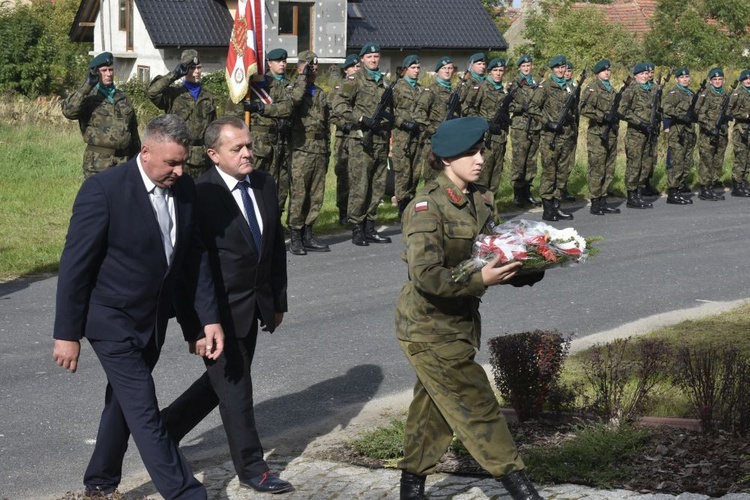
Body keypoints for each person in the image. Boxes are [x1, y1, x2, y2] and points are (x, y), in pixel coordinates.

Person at [52, 114, 224, 499]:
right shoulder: (104, 190)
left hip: (153, 320)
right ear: (145, 152)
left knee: (123, 402)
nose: (179, 171)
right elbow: (75, 266)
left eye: (183, 162)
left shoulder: (184, 190)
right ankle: (185, 493)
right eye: (171, 163)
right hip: (110, 320)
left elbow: (193, 259)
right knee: (144, 408)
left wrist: (206, 320)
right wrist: (66, 333)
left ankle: (100, 481)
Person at [396, 116, 544, 500]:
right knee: (476, 403)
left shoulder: (480, 199)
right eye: (470, 153)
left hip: (460, 323)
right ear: (446, 159)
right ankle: (522, 489)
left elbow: (490, 255)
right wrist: (483, 281)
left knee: (433, 409)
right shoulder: (426, 208)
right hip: (428, 326)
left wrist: (535, 262)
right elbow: (426, 277)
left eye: (481, 151)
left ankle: (411, 489)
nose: (480, 159)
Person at [160, 116, 291, 494]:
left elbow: (274, 248)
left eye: (249, 145)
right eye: (238, 148)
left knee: (222, 379)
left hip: (255, 307)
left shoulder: (265, 185)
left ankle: (165, 428)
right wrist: (196, 326)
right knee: (236, 386)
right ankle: (254, 469)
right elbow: (186, 268)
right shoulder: (198, 194)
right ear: (214, 154)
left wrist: (277, 301)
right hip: (216, 313)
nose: (248, 153)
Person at [330, 42, 393, 246]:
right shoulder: (354, 80)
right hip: (361, 141)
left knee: (377, 185)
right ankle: (357, 228)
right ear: (362, 59)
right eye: (369, 57)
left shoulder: (383, 82)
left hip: (380, 141)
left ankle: (370, 226)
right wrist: (361, 119)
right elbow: (339, 105)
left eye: (376, 56)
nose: (374, 60)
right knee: (360, 185)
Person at [241, 48, 305, 215]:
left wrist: (264, 108)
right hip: (259, 143)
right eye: (278, 61)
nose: (282, 64)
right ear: (268, 63)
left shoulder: (285, 85)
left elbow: (289, 107)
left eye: (284, 61)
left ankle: (275, 218)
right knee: (255, 181)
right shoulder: (253, 86)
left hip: (282, 141)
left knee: (280, 184)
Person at [62, 51, 140, 178]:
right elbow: (69, 112)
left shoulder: (122, 97)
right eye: (104, 70)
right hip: (98, 163)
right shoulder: (88, 96)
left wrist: (137, 159)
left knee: (123, 197)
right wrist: (87, 86)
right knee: (98, 197)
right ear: (95, 72)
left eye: (111, 70)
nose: (109, 74)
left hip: (123, 162)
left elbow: (133, 130)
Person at [147, 50, 217, 178]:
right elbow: (152, 92)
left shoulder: (208, 96)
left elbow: (213, 129)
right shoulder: (174, 95)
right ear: (184, 70)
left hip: (203, 159)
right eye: (192, 68)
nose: (197, 71)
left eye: (199, 67)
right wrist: (174, 74)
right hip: (178, 156)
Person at [287, 50, 331, 254]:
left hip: (319, 150)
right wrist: (301, 78)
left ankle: (308, 233)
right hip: (301, 148)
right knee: (299, 193)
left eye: (315, 66)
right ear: (300, 67)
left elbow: (327, 124)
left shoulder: (320, 93)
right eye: (310, 66)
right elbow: (291, 104)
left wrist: (328, 151)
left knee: (316, 195)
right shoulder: (294, 89)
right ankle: (295, 234)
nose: (314, 70)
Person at [528, 55, 576, 221]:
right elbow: (532, 107)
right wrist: (547, 123)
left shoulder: (570, 86)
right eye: (557, 68)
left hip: (566, 135)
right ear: (552, 69)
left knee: (563, 173)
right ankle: (547, 209)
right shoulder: (546, 87)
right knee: (550, 172)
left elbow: (574, 108)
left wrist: (571, 118)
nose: (561, 70)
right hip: (550, 137)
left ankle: (557, 206)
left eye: (563, 67)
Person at [580, 59, 621, 214]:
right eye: (604, 71)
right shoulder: (592, 88)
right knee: (597, 168)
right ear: (597, 73)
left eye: (609, 70)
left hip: (611, 134)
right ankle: (595, 201)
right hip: (597, 134)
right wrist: (602, 116)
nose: (607, 73)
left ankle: (603, 199)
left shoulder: (613, 90)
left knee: (609, 168)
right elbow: (583, 108)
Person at [413, 56, 460, 182]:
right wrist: (433, 130)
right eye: (444, 68)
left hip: (450, 140)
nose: (447, 71)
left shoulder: (454, 92)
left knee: (449, 177)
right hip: (433, 141)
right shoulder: (431, 90)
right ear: (438, 71)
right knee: (432, 178)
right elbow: (418, 113)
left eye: (450, 68)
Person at [620, 62, 656, 208]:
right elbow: (622, 111)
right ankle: (631, 196)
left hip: (649, 134)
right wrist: (639, 123)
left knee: (645, 164)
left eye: (646, 74)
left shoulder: (652, 90)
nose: (645, 76)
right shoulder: (631, 90)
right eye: (641, 74)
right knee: (634, 165)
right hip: (636, 134)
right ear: (635, 76)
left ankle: (639, 193)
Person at [391, 54, 423, 219]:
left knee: (415, 173)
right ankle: (402, 208)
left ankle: (411, 204)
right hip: (402, 138)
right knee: (403, 173)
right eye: (413, 68)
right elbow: (389, 113)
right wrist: (402, 123)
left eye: (418, 68)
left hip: (417, 138)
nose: (416, 71)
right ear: (405, 69)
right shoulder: (397, 88)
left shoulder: (420, 89)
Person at [330, 54, 361, 225]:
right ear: (346, 70)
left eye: (359, 66)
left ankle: (356, 211)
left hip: (359, 136)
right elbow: (332, 113)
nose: (357, 69)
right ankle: (343, 211)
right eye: (354, 66)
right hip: (344, 137)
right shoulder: (339, 88)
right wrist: (344, 124)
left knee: (357, 174)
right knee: (343, 175)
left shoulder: (363, 87)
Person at [472, 57, 511, 194]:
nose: (498, 73)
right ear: (489, 72)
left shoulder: (504, 91)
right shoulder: (481, 88)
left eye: (501, 70)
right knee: (482, 175)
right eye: (495, 70)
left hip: (500, 139)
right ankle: (479, 209)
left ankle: (492, 209)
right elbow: (469, 110)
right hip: (485, 139)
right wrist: (485, 124)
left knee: (496, 175)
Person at [508, 54, 542, 208]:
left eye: (529, 66)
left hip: (535, 125)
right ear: (519, 68)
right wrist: (522, 108)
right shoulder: (514, 84)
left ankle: (528, 191)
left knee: (531, 161)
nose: (527, 68)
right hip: (520, 127)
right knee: (519, 160)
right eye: (524, 66)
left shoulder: (537, 83)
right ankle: (517, 193)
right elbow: (507, 105)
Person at [661, 67, 697, 205]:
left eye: (687, 77)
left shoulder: (691, 93)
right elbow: (667, 109)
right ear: (676, 79)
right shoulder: (674, 92)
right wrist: (682, 117)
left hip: (689, 132)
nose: (685, 79)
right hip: (677, 132)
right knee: (676, 162)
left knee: (686, 161)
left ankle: (680, 187)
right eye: (682, 77)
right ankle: (672, 192)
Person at [696, 67, 732, 201]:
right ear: (710, 81)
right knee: (707, 160)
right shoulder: (706, 94)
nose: (717, 81)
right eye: (715, 79)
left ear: (723, 80)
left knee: (718, 159)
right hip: (708, 133)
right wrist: (711, 127)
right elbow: (699, 114)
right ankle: (705, 188)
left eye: (720, 79)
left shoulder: (725, 94)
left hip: (722, 133)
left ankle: (713, 183)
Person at [727, 69, 750, 197]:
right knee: (741, 157)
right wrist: (745, 115)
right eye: (746, 79)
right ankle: (737, 185)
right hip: (741, 129)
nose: (748, 81)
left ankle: (744, 183)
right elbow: (730, 111)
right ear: (741, 81)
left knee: (748, 158)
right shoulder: (737, 94)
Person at [559, 61, 579, 202]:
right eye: (565, 70)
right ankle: (558, 190)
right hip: (562, 128)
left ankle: (564, 187)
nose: (567, 73)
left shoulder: (574, 86)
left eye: (570, 70)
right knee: (560, 160)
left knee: (569, 161)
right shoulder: (559, 87)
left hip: (573, 127)